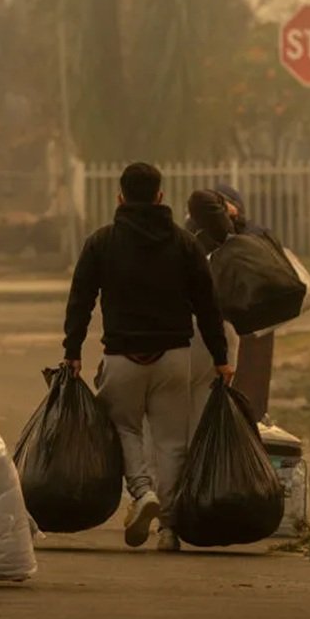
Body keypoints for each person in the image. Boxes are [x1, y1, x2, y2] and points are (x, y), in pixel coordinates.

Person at [61, 163, 231, 553]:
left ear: (120, 197)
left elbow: (80, 301)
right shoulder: (185, 244)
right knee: (172, 442)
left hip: (121, 356)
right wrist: (221, 358)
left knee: (125, 429)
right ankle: (169, 528)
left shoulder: (101, 242)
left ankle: (141, 492)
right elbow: (207, 305)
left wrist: (72, 350)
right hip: (174, 356)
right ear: (160, 196)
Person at [211, 183, 275, 421]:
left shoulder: (251, 236)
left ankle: (249, 423)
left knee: (250, 388)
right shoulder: (203, 235)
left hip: (251, 323)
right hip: (231, 323)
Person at [185, 190, 242, 427]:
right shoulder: (236, 250)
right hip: (223, 337)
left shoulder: (184, 246)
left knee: (176, 419)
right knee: (208, 418)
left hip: (185, 337)